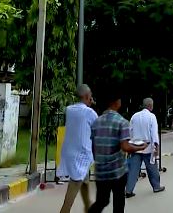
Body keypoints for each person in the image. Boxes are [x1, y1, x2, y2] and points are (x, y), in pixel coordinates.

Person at [88, 86, 147, 213]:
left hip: (101, 171)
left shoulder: (96, 122)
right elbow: (125, 147)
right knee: (118, 202)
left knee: (102, 201)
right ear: (116, 102)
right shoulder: (122, 122)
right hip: (117, 171)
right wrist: (140, 147)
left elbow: (93, 147)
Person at [57, 84, 98, 213]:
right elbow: (97, 129)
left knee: (84, 183)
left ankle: (88, 207)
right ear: (87, 96)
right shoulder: (90, 113)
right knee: (73, 189)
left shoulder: (69, 110)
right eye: (90, 96)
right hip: (81, 156)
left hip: (69, 153)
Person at [126, 98, 165, 197]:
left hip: (135, 147)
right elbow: (154, 133)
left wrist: (130, 144)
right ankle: (156, 186)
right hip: (148, 147)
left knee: (133, 170)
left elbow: (130, 131)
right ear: (150, 106)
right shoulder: (152, 116)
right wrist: (156, 147)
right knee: (152, 168)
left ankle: (128, 190)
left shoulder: (134, 116)